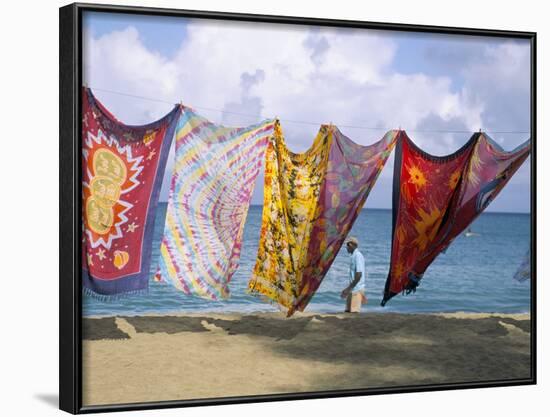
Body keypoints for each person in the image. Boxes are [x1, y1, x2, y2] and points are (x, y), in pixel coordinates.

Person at [341, 236, 367, 313]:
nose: (346, 247)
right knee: (347, 311)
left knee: (354, 313)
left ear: (352, 245)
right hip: (352, 289)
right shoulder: (353, 256)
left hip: (356, 289)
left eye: (347, 245)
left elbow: (359, 274)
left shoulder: (358, 256)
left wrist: (348, 288)